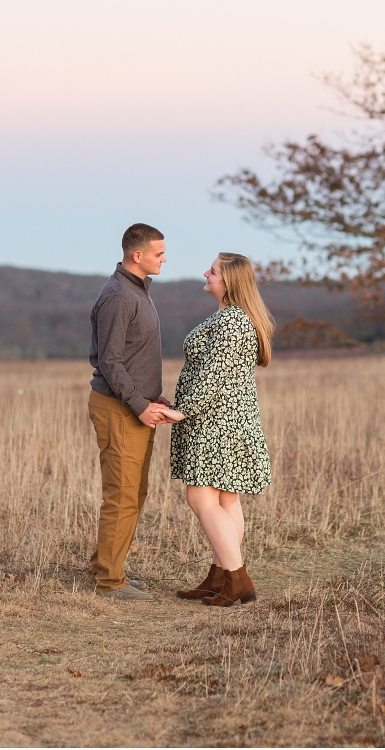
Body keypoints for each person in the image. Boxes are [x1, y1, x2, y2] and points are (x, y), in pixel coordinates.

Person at [169, 252, 274, 607]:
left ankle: (237, 578)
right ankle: (220, 577)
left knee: (200, 497)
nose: (206, 273)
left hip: (218, 422)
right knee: (226, 498)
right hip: (226, 419)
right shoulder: (231, 318)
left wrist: (182, 411)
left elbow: (212, 377)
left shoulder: (231, 322)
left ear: (229, 281)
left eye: (212, 271)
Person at [88, 223, 175, 601]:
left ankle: (110, 569)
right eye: (158, 253)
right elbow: (110, 361)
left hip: (136, 407)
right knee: (121, 495)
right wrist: (140, 405)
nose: (164, 258)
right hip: (119, 409)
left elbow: (134, 357)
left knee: (133, 494)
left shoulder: (137, 291)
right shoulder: (119, 296)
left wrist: (154, 400)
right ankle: (109, 582)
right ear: (136, 255)